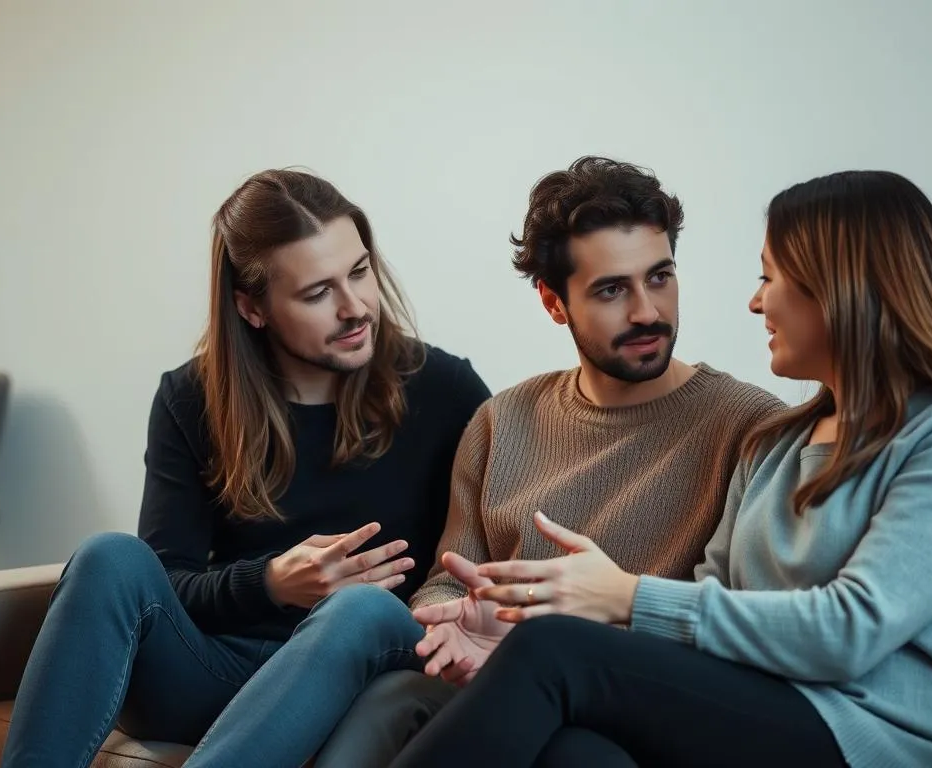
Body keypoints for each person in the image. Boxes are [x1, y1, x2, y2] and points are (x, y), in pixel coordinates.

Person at [385, 170, 932, 768]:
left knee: (555, 653)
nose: (756, 304)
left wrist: (624, 597)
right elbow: (707, 612)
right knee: (575, 751)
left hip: (878, 738)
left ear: (838, 288)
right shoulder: (778, 443)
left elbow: (850, 631)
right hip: (749, 710)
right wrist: (521, 624)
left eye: (769, 277)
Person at [0, 168, 492, 767]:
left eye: (359, 271)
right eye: (317, 293)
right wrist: (272, 582)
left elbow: (492, 558)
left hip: (365, 679)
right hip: (219, 673)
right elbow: (171, 579)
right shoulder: (191, 399)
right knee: (109, 556)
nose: (355, 307)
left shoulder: (444, 389)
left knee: (360, 608)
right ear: (252, 308)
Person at [311, 155, 787, 767]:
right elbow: (450, 577)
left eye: (660, 276)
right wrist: (451, 623)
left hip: (637, 713)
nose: (647, 311)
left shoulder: (751, 427)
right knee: (393, 695)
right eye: (612, 289)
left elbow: (739, 622)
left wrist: (560, 639)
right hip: (498, 686)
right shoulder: (502, 420)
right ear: (553, 302)